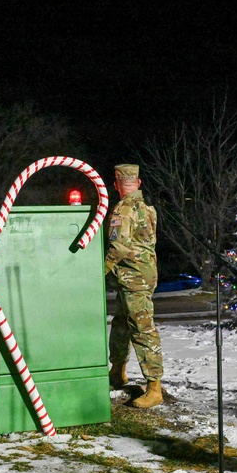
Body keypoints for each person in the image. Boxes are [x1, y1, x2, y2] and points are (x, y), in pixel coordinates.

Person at [106, 163, 164, 408]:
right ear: (138, 183)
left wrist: (101, 270)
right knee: (122, 322)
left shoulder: (123, 209)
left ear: (116, 184)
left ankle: (154, 387)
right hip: (144, 274)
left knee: (142, 329)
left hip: (133, 277)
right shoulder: (148, 208)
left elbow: (118, 246)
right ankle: (118, 371)